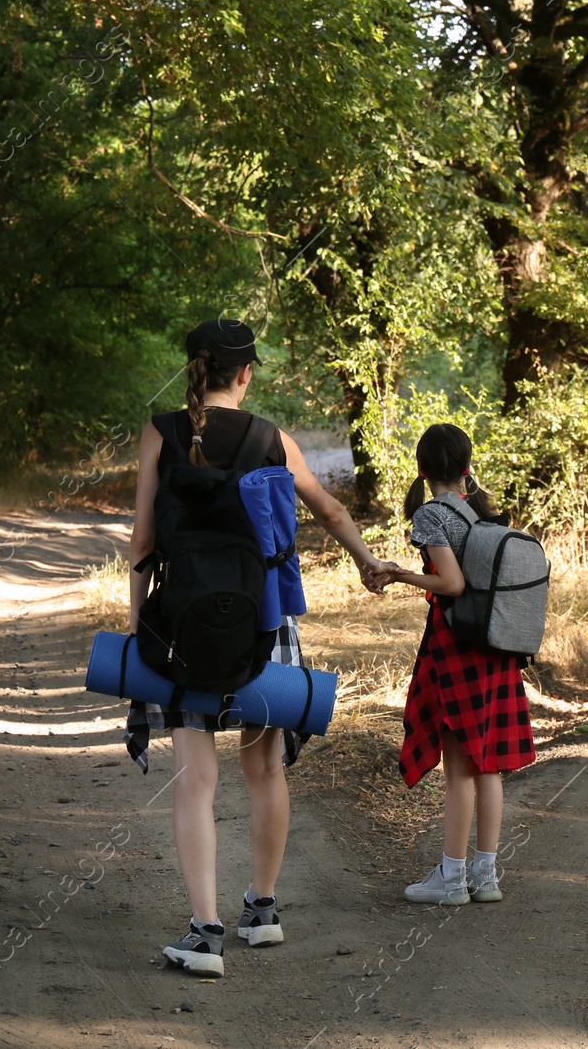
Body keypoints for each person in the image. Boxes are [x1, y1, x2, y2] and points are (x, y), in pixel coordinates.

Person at [127, 318, 388, 977]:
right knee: (265, 769)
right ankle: (263, 909)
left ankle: (205, 933)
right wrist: (365, 562)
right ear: (246, 374)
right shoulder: (272, 437)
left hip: (183, 626)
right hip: (264, 623)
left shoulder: (160, 432)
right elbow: (328, 509)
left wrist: (140, 637)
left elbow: (141, 545)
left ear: (193, 368)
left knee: (195, 780)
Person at [381, 424, 536, 906]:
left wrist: (398, 573)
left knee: (459, 770)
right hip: (496, 644)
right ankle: (485, 877)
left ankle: (451, 880)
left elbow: (449, 583)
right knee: (487, 764)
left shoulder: (431, 515)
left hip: (457, 649)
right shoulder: (478, 509)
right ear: (466, 465)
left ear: (423, 469)